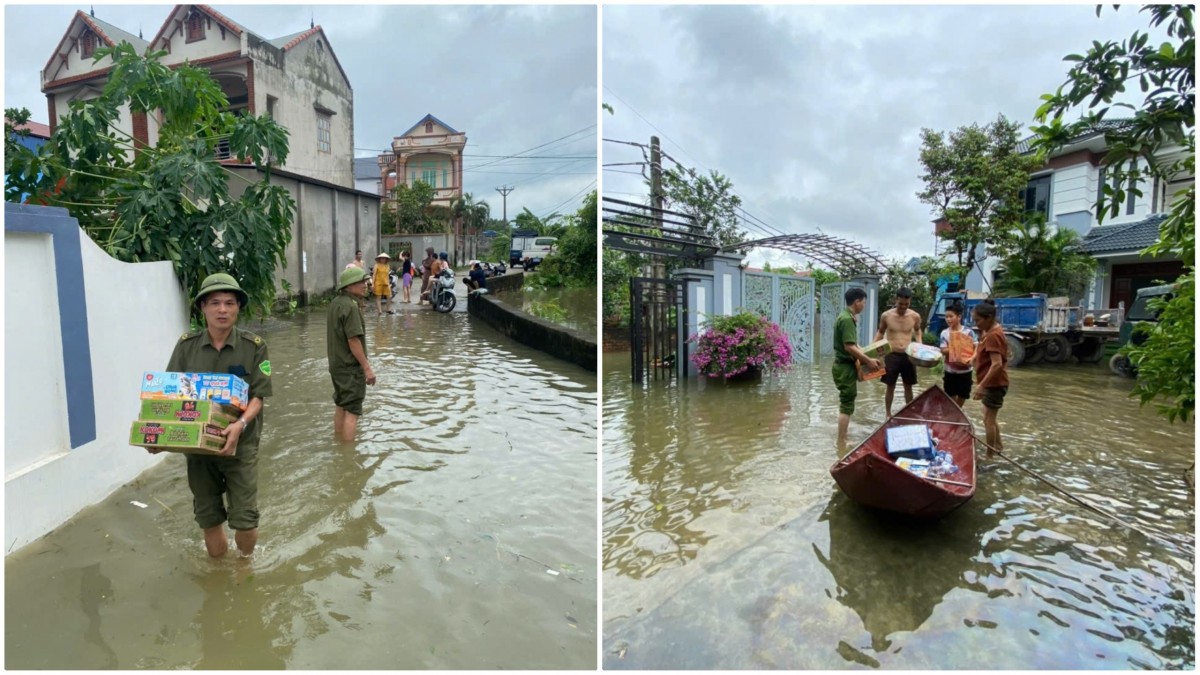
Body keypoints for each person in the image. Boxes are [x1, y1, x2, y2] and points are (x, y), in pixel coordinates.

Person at [150, 273, 271, 559]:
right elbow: (169, 396)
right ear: (203, 307)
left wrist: (240, 425)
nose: (222, 309)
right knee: (208, 517)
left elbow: (259, 397)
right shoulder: (186, 345)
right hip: (199, 448)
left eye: (230, 303)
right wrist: (159, 436)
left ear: (238, 308)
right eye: (215, 303)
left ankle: (244, 566)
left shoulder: (254, 346)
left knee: (245, 519)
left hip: (240, 446)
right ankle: (218, 575)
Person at [328, 266, 376, 441]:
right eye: (361, 282)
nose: (365, 285)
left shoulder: (335, 303)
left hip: (336, 366)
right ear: (349, 286)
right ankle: (348, 457)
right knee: (353, 411)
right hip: (349, 368)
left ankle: (338, 445)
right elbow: (353, 340)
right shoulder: (351, 307)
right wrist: (367, 368)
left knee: (341, 405)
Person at [833, 287, 883, 455]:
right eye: (864, 302)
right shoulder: (847, 319)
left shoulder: (846, 316)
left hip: (845, 366)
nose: (864, 306)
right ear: (857, 302)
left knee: (847, 402)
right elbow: (849, 347)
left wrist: (867, 355)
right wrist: (867, 360)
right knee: (846, 404)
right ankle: (841, 441)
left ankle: (843, 436)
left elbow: (854, 345)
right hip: (844, 366)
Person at [874, 287, 924, 417]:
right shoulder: (886, 315)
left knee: (909, 386)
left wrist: (920, 344)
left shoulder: (914, 316)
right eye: (901, 304)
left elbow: (918, 331)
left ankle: (910, 413)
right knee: (890, 386)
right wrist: (872, 349)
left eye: (906, 304)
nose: (903, 307)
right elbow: (880, 332)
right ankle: (888, 414)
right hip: (891, 355)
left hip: (908, 355)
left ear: (910, 302)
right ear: (896, 300)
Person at [972, 300, 1009, 459]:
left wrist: (981, 386)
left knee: (988, 420)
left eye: (978, 320)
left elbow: (996, 365)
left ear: (988, 318)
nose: (976, 324)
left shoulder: (994, 335)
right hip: (993, 383)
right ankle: (998, 447)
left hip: (995, 383)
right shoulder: (989, 330)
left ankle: (989, 455)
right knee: (989, 417)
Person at [938, 301, 977, 407]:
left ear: (959, 317)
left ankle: (957, 415)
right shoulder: (944, 333)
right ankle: (953, 416)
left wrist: (972, 357)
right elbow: (943, 350)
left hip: (966, 370)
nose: (948, 319)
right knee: (950, 397)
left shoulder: (969, 332)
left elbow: (976, 347)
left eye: (951, 316)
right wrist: (958, 346)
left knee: (963, 395)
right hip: (950, 371)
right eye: (946, 317)